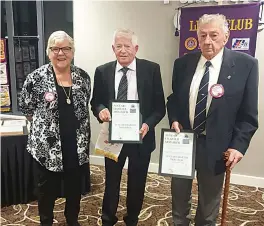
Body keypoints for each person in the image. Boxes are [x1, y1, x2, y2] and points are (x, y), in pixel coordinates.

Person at [167, 14, 259, 226]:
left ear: (226, 36)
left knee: (208, 207)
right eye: (203, 35)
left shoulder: (246, 66)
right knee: (179, 201)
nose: (207, 41)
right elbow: (174, 100)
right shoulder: (182, 64)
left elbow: (248, 116)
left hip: (217, 147)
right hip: (183, 144)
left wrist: (238, 146)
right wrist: (174, 120)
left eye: (214, 35)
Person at [91, 28, 165, 226]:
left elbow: (159, 108)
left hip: (141, 136)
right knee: (111, 181)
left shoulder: (151, 69)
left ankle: (132, 219)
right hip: (113, 136)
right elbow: (95, 101)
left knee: (137, 182)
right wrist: (101, 110)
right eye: (118, 46)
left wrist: (148, 124)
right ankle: (108, 218)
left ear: (136, 48)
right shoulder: (102, 71)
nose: (122, 50)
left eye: (127, 46)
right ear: (113, 48)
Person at [19, 31, 91, 226]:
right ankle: (46, 221)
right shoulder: (35, 78)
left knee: (74, 188)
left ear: (72, 51)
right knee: (46, 190)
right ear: (48, 51)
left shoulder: (83, 77)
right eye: (55, 48)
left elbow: (85, 105)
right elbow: (27, 108)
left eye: (66, 48)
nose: (61, 53)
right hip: (46, 147)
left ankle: (72, 219)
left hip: (76, 146)